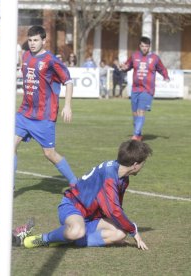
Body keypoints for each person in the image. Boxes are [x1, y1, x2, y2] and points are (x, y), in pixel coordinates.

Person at [24, 140, 153, 251]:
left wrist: (126, 228)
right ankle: (44, 239)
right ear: (135, 165)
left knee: (120, 233)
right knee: (77, 230)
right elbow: (113, 210)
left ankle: (71, 239)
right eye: (143, 163)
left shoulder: (123, 178)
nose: (143, 166)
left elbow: (115, 206)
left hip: (92, 218)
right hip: (73, 206)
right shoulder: (109, 176)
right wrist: (133, 230)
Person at [16, 25, 77, 185]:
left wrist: (67, 105)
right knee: (10, 146)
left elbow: (68, 81)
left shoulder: (51, 60)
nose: (32, 43)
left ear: (44, 40)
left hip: (44, 115)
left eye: (36, 40)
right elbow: (20, 72)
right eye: (30, 40)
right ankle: (9, 185)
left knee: (49, 153)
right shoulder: (26, 56)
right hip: (24, 113)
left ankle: (75, 183)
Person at [121, 36, 170, 141]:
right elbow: (127, 66)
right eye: (142, 46)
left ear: (149, 47)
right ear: (139, 46)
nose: (144, 48)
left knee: (141, 111)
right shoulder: (134, 56)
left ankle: (135, 135)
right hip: (135, 89)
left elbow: (162, 68)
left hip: (147, 90)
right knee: (135, 113)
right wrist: (123, 68)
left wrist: (166, 76)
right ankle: (139, 134)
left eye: (146, 46)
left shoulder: (155, 58)